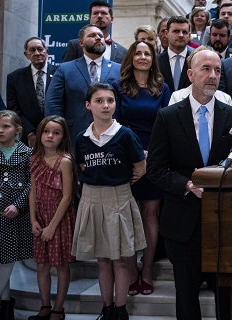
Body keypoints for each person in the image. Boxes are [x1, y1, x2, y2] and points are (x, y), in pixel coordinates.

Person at [146, 47, 232, 320]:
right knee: (187, 298)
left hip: (224, 222)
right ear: (190, 74)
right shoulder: (167, 116)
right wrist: (186, 185)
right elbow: (155, 169)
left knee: (228, 296)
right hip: (182, 221)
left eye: (217, 70)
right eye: (206, 69)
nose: (213, 76)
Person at [71, 82, 147, 320]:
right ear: (88, 105)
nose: (105, 105)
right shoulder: (81, 139)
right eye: (99, 101)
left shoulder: (125, 134)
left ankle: (121, 309)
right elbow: (82, 166)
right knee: (102, 260)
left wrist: (124, 182)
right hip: (92, 198)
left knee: (122, 259)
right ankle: (107, 308)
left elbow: (140, 167)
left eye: (110, 101)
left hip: (119, 197)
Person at [113, 40, 171, 298]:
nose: (143, 57)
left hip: (155, 158)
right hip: (126, 157)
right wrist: (135, 157)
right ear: (131, 58)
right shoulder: (119, 87)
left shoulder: (163, 88)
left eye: (147, 53)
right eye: (138, 53)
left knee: (150, 214)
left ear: (153, 59)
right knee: (127, 216)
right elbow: (116, 124)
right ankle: (130, 271)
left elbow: (167, 124)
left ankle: (146, 270)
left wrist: (150, 158)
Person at [0, 110, 32, 320]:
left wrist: (18, 205)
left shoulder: (28, 153)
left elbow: (32, 184)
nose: (0, 131)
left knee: (7, 259)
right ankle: (6, 306)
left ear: (18, 130)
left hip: (15, 214)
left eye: (6, 127)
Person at [27, 116, 77, 320]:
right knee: (41, 265)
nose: (50, 136)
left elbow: (67, 197)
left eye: (56, 133)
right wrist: (33, 221)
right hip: (40, 218)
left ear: (63, 136)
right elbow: (32, 192)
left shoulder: (64, 161)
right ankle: (45, 306)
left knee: (61, 264)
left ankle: (58, 309)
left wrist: (52, 227)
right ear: (39, 134)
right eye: (46, 131)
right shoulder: (34, 159)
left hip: (59, 220)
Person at [45, 24, 122, 141]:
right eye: (92, 35)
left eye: (101, 36)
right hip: (74, 135)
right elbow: (53, 103)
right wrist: (57, 131)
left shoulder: (119, 70)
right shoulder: (65, 69)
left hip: (112, 136)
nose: (98, 38)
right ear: (81, 43)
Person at [7, 37, 59, 147]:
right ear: (26, 54)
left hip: (57, 134)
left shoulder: (60, 72)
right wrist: (29, 132)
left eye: (40, 49)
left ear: (47, 52)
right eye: (32, 50)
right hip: (29, 138)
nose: (37, 53)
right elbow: (13, 108)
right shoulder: (15, 77)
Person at [62, 0, 127, 63]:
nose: (99, 16)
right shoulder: (75, 45)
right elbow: (65, 71)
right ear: (90, 18)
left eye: (103, 13)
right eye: (95, 13)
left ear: (112, 19)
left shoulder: (123, 52)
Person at [158, 16, 194, 93]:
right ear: (166, 34)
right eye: (176, 31)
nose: (181, 35)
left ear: (189, 35)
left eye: (184, 32)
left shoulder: (197, 59)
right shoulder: (156, 61)